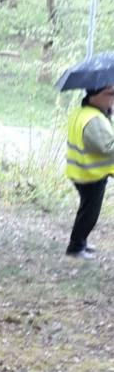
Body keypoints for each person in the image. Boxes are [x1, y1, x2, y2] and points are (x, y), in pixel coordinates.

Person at [65, 83, 114, 259]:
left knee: (87, 210)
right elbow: (106, 147)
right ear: (95, 96)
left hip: (81, 172)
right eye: (110, 94)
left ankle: (80, 242)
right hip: (90, 175)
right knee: (89, 213)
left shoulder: (86, 113)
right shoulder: (93, 119)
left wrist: (107, 114)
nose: (113, 98)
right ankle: (76, 247)